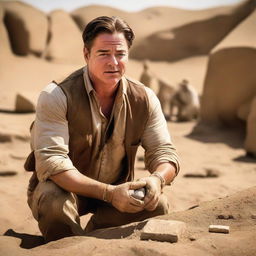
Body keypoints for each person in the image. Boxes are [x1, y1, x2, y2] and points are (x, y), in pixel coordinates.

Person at [25, 16, 180, 242]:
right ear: (87, 54)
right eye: (103, 54)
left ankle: (94, 237)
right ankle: (72, 246)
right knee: (53, 202)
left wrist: (157, 179)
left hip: (119, 191)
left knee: (157, 205)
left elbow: (164, 151)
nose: (113, 63)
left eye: (120, 54)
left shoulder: (144, 99)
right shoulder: (57, 95)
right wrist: (109, 193)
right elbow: (53, 163)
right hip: (66, 190)